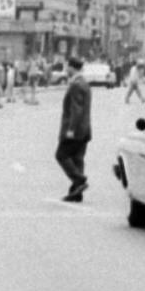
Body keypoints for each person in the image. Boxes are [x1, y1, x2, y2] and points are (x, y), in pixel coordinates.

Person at [56, 56, 93, 202]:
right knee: (78, 159)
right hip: (85, 129)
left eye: (67, 67)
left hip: (75, 131)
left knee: (61, 155)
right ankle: (76, 193)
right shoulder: (84, 83)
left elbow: (76, 110)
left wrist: (70, 130)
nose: (66, 69)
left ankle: (79, 180)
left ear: (72, 67)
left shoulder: (76, 85)